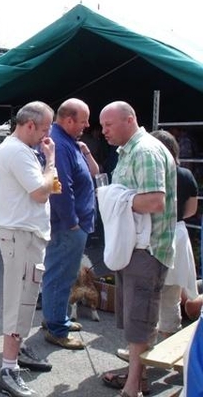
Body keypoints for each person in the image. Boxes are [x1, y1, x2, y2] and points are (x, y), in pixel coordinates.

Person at [99, 102, 176, 397]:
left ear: (129, 120)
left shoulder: (145, 150)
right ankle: (136, 376)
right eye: (102, 125)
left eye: (108, 124)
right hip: (137, 248)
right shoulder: (131, 150)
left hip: (147, 249)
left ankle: (133, 386)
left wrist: (115, 199)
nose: (103, 130)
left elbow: (155, 201)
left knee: (140, 320)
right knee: (136, 319)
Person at [114, 130, 198, 366]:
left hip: (151, 237)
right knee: (171, 294)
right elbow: (191, 210)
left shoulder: (147, 169)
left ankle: (146, 354)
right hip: (178, 233)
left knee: (147, 300)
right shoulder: (186, 175)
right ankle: (168, 351)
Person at [0, 101, 56, 397]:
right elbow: (42, 192)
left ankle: (15, 355)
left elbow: (44, 189)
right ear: (29, 125)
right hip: (20, 235)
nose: (47, 135)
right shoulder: (17, 150)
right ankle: (8, 368)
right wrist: (51, 161)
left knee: (26, 298)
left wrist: (46, 168)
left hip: (24, 235)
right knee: (19, 299)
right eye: (44, 128)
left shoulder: (19, 149)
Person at [41, 98, 98, 350]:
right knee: (61, 275)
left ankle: (56, 318)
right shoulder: (60, 144)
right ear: (68, 120)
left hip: (71, 223)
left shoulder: (66, 141)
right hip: (68, 225)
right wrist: (72, 221)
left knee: (62, 274)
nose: (87, 125)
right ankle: (56, 328)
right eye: (83, 120)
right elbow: (60, 186)